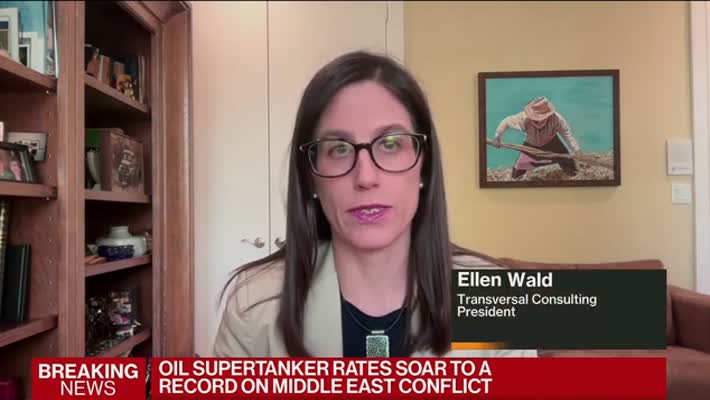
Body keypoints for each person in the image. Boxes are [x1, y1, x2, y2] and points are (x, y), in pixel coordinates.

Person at [214, 51, 536, 358]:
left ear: (423, 166)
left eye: (390, 144)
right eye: (339, 149)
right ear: (311, 177)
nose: (365, 177)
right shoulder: (253, 305)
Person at [491, 97, 582, 179]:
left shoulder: (556, 119)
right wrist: (497, 137)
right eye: (535, 117)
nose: (537, 120)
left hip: (552, 143)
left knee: (569, 165)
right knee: (517, 172)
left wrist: (577, 150)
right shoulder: (524, 118)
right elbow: (506, 122)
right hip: (531, 145)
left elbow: (567, 134)